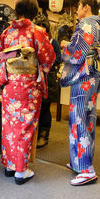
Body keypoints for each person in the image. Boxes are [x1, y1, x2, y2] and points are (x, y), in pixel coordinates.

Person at [0, 0, 56, 185]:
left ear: (17, 10)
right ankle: (21, 171)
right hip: (29, 87)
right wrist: (40, 69)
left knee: (10, 126)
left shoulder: (7, 33)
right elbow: (48, 58)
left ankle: (9, 165)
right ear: (34, 11)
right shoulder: (36, 32)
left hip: (11, 86)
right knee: (25, 126)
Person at [60, 0, 100, 186]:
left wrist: (65, 47)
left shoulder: (86, 23)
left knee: (78, 117)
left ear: (86, 7)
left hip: (84, 75)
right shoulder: (99, 26)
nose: (77, 12)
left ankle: (86, 169)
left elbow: (77, 52)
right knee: (88, 118)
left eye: (78, 7)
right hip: (93, 75)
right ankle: (79, 161)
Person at [34, 15, 61, 148]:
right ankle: (35, 133)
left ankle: (44, 135)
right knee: (35, 108)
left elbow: (58, 58)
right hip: (35, 78)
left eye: (43, 28)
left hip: (48, 79)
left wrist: (44, 64)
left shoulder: (53, 41)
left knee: (45, 108)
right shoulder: (32, 40)